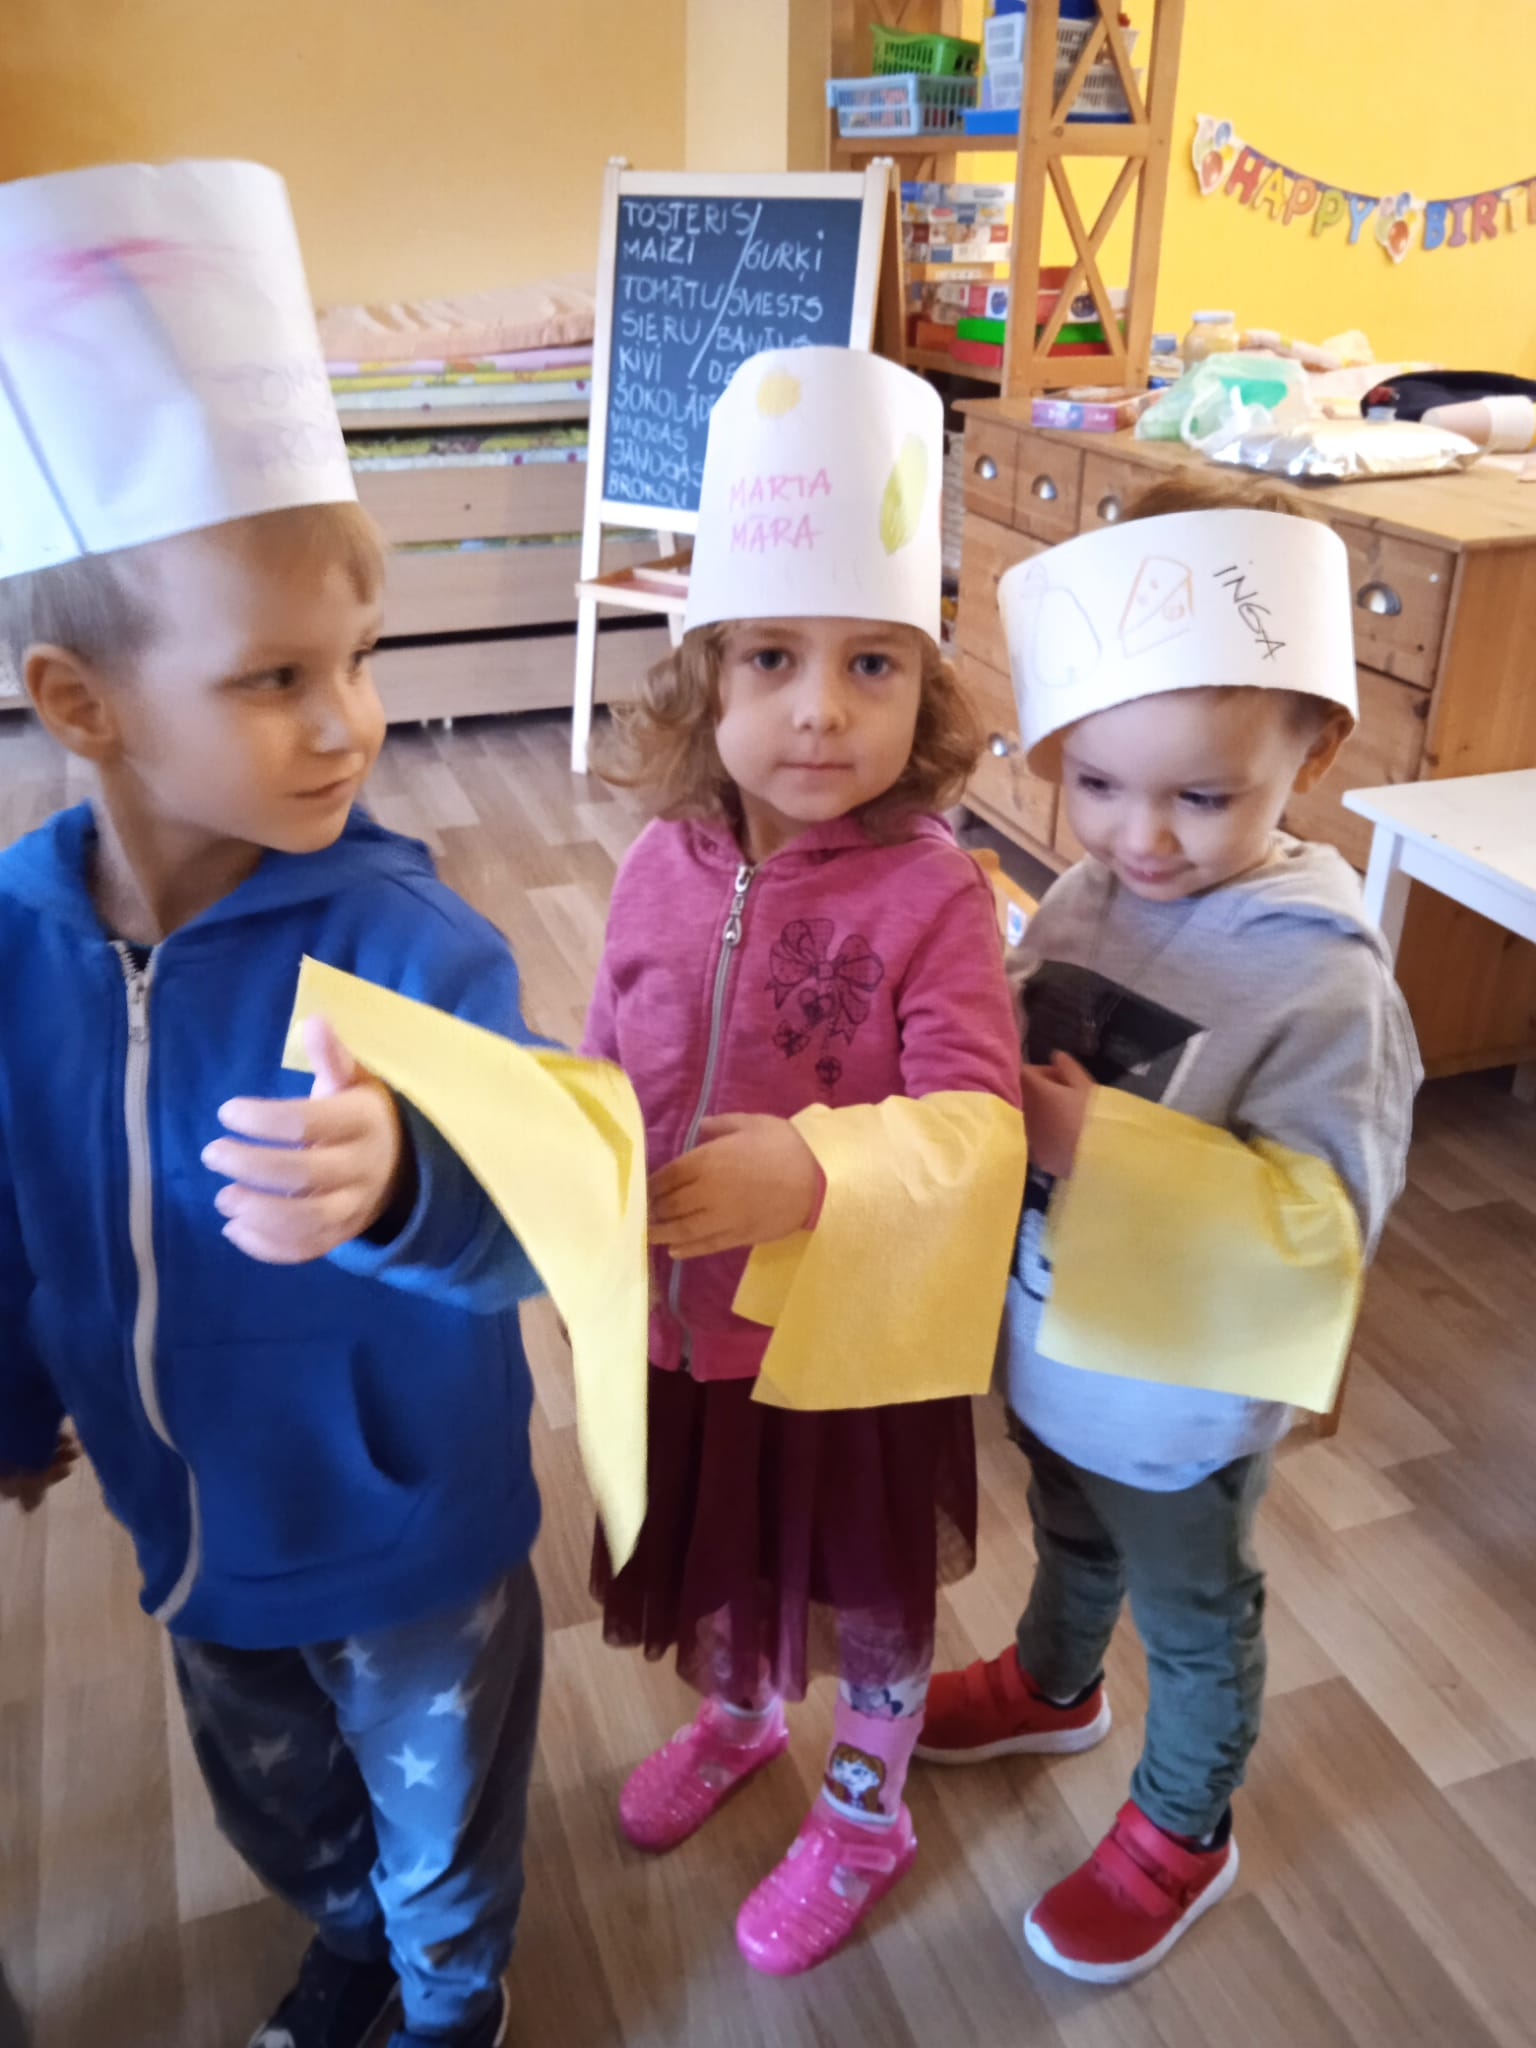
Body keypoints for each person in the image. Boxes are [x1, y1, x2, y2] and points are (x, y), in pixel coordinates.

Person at [0, 159, 545, 2048]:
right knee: (279, 1799)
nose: (348, 723)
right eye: (274, 678)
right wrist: (14, 1403)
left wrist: (408, 1175)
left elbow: (546, 1216)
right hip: (189, 1518)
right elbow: (10, 1202)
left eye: (359, 661)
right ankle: (349, 1940)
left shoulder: (411, 943)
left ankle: (451, 2002)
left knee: (441, 1820)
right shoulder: (14, 944)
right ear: (83, 702)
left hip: (408, 1535)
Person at [918, 475, 1421, 1984]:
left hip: (1188, 1406)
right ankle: (1056, 1684)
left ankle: (1185, 1827)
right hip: (1057, 1340)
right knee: (1069, 1526)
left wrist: (1100, 1148)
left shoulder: (1324, 981)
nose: (1139, 836)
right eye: (1097, 782)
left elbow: (1328, 1229)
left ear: (1310, 752)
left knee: (1197, 1615)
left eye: (1201, 797)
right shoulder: (1089, 893)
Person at [582, 347, 1023, 1974]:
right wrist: (578, 1160)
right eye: (773, 656)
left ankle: (864, 1808)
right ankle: (743, 1712)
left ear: (926, 689)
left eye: (872, 663)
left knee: (871, 1588)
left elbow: (978, 1129)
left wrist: (821, 1178)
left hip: (845, 1348)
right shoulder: (656, 858)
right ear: (706, 677)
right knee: (728, 1553)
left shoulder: (934, 897)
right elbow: (606, 1045)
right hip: (685, 1323)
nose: (823, 707)